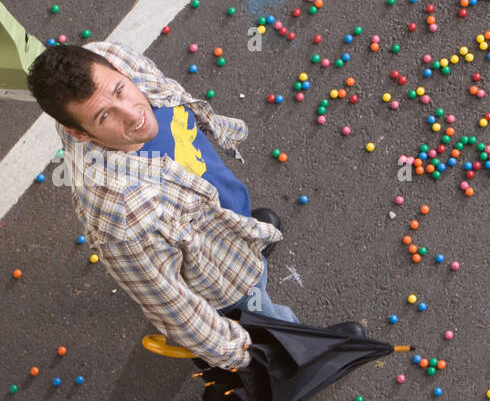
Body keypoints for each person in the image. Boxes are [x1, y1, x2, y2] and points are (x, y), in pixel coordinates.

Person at [27, 40, 299, 371]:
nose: (133, 115)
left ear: (119, 71)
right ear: (79, 133)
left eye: (120, 90)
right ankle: (297, 357)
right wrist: (239, 354)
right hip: (221, 278)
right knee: (266, 320)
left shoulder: (112, 56)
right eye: (104, 116)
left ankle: (243, 238)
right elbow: (174, 308)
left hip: (217, 216)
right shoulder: (124, 218)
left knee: (242, 234)